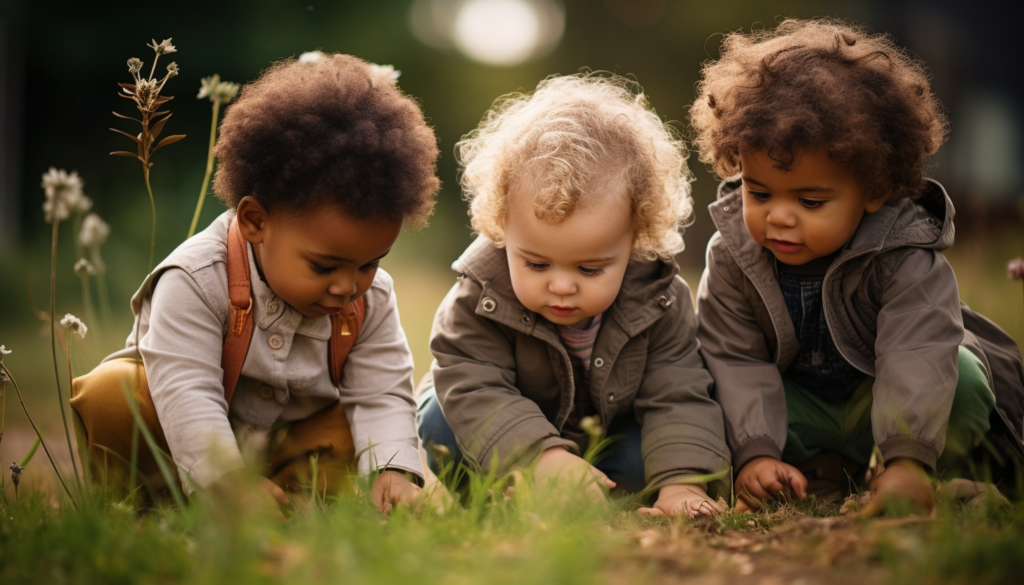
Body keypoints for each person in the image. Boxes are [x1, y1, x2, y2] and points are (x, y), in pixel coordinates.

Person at [71, 52, 440, 515]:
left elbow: (381, 391)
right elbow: (187, 390)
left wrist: (392, 468)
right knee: (113, 394)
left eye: (370, 263)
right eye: (325, 267)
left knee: (359, 429)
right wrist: (224, 479)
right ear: (255, 221)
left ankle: (294, 502)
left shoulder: (372, 298)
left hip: (289, 449)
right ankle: (146, 505)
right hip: (181, 447)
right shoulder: (195, 281)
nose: (349, 286)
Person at [690, 19, 1024, 515]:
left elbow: (917, 351)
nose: (778, 216)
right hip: (797, 408)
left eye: (810, 200)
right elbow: (735, 360)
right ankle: (820, 470)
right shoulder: (732, 255)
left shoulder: (905, 254)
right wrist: (755, 452)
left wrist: (907, 458)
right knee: (709, 388)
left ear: (874, 191)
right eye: (759, 193)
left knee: (965, 377)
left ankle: (926, 476)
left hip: (884, 397)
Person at [418, 73, 730, 517]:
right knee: (439, 421)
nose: (561, 286)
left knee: (653, 456)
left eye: (590, 268)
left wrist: (683, 484)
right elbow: (472, 384)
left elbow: (677, 392)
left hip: (604, 441)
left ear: (635, 239)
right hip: (506, 445)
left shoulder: (659, 298)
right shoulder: (478, 297)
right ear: (502, 228)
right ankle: (515, 496)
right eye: (537, 264)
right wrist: (540, 458)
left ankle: (597, 497)